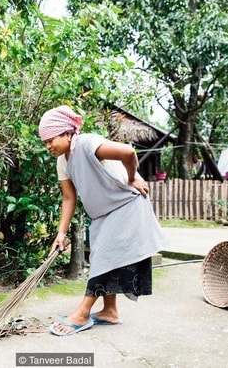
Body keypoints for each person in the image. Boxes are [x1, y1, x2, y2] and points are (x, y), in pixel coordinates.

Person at [38, 105, 168, 336]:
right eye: (45, 142)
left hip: (126, 205)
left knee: (104, 258)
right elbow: (69, 198)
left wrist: (131, 179)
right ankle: (110, 311)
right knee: (104, 256)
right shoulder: (63, 161)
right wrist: (61, 233)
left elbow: (128, 153)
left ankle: (83, 312)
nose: (48, 146)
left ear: (68, 133)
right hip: (103, 214)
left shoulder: (88, 144)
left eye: (51, 140)